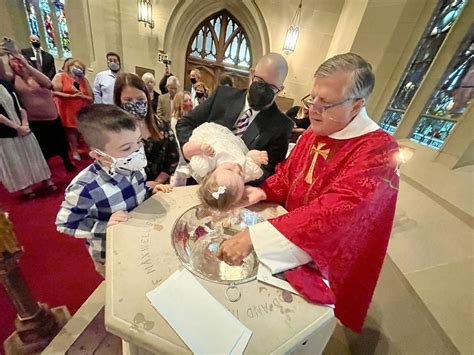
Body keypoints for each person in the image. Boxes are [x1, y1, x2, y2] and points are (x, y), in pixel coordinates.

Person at [217, 53, 400, 333]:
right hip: (285, 237)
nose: (313, 110)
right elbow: (289, 175)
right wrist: (262, 193)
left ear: (357, 105)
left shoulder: (379, 150)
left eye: (326, 103)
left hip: (321, 258)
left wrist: (254, 236)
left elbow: (340, 210)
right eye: (312, 99)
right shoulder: (313, 133)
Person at [56, 105, 170, 277]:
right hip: (110, 254)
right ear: (99, 155)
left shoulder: (135, 167)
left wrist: (151, 190)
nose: (138, 152)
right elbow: (65, 223)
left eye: (138, 142)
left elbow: (136, 192)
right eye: (126, 148)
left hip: (137, 239)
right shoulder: (86, 188)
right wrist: (105, 225)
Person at [176, 52, 293, 185]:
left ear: (280, 89)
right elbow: (185, 123)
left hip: (236, 194)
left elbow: (268, 173)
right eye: (260, 81)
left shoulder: (281, 126)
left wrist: (236, 175)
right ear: (251, 74)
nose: (262, 90)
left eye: (271, 87)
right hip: (198, 181)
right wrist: (192, 151)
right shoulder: (223, 96)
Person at [9, 50, 74, 172]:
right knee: (42, 148)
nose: (18, 66)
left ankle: (67, 161)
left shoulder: (37, 76)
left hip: (51, 117)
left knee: (60, 144)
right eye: (14, 64)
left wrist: (26, 65)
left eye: (20, 63)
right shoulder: (14, 79)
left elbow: (48, 83)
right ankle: (45, 171)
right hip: (34, 119)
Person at [0, 57, 55, 198]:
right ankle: (25, 187)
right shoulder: (11, 78)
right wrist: (16, 128)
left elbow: (20, 104)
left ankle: (44, 179)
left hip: (22, 125)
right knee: (15, 159)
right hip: (5, 130)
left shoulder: (5, 83)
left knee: (33, 154)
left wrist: (24, 123)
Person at [183, 122, 268, 210]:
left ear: (211, 174)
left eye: (230, 170)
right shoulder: (242, 172)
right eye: (240, 174)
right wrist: (255, 156)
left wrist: (199, 148)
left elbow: (186, 151)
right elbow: (248, 159)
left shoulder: (206, 164)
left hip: (211, 136)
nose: (237, 167)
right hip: (231, 143)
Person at [114, 73, 179, 184]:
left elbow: (173, 157)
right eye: (128, 100)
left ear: (148, 98)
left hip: (157, 188)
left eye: (140, 98)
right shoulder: (113, 131)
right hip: (127, 191)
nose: (135, 103)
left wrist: (157, 182)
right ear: (119, 102)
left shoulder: (161, 125)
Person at [52, 59, 93, 160]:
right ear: (69, 67)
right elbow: (53, 92)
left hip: (82, 108)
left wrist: (83, 97)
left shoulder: (83, 80)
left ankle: (89, 149)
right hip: (67, 108)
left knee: (84, 130)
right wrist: (69, 96)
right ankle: (74, 151)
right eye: (76, 67)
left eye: (80, 68)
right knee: (71, 131)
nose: (78, 70)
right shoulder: (61, 76)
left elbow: (91, 97)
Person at [170, 90, 193, 186]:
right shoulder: (175, 121)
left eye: (190, 100)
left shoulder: (194, 118)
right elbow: (178, 144)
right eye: (185, 101)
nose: (188, 103)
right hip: (181, 161)